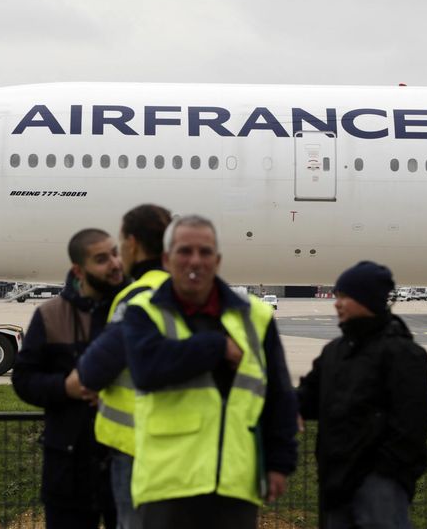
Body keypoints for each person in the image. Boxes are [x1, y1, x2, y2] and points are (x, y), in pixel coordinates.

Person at [123, 215, 298, 529]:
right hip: (168, 484)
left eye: (205, 253)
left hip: (235, 484)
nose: (195, 261)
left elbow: (278, 395)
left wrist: (279, 464)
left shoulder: (255, 315)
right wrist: (215, 347)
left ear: (217, 261)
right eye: (185, 251)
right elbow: (147, 370)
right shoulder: (143, 310)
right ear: (166, 259)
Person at [297, 261, 427, 528]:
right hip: (337, 482)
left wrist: (387, 473)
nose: (337, 304)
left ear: (368, 300)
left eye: (345, 297)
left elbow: (411, 425)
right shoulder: (334, 351)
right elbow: (308, 396)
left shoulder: (404, 355)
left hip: (380, 486)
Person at [13, 228, 127, 529]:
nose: (115, 263)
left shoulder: (135, 311)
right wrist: (65, 388)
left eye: (115, 253)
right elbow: (23, 380)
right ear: (79, 269)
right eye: (102, 259)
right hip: (68, 470)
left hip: (125, 469)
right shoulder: (51, 315)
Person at [78, 204, 173, 529]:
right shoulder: (193, 293)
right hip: (185, 448)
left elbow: (92, 370)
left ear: (132, 243)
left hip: (136, 448)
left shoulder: (138, 298)